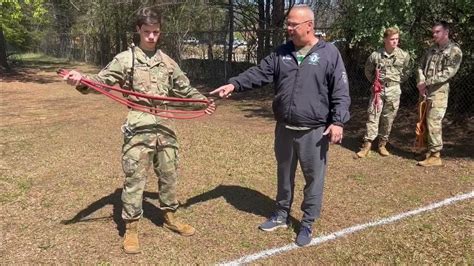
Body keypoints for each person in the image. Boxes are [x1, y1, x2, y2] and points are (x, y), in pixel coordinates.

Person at [63, 7, 216, 254]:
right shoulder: (126, 60)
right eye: (147, 32)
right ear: (138, 30)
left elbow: (185, 90)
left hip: (165, 126)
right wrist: (81, 81)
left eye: (156, 32)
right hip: (138, 128)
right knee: (135, 178)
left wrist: (204, 102)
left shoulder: (167, 62)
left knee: (169, 174)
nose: (152, 37)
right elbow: (101, 83)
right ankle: (131, 228)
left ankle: (170, 217)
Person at [210, 5, 350, 247]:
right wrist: (234, 84)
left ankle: (306, 223)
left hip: (314, 132)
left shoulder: (329, 54)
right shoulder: (281, 53)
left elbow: (341, 91)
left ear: (309, 26)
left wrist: (337, 121)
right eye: (288, 24)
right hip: (284, 128)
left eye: (293, 25)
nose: (288, 29)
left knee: (313, 179)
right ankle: (281, 215)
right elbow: (258, 73)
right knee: (284, 176)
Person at [356, 27, 410, 158]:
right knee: (373, 116)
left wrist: (394, 83)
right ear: (385, 40)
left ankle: (382, 144)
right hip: (378, 91)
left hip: (394, 90)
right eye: (392, 39)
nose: (395, 42)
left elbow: (406, 73)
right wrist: (376, 82)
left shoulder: (404, 55)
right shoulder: (376, 55)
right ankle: (367, 144)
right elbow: (368, 71)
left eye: (397, 39)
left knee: (388, 118)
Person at [415, 21, 462, 167]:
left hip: (438, 93)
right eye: (433, 32)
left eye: (437, 32)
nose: (434, 34)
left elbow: (449, 72)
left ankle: (436, 155)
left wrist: (427, 82)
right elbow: (419, 67)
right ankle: (430, 151)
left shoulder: (454, 51)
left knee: (433, 121)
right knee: (425, 121)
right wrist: (421, 81)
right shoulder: (431, 50)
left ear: (446, 32)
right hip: (425, 92)